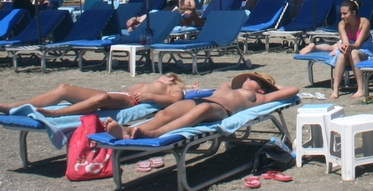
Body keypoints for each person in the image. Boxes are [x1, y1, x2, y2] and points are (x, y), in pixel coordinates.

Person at [104, 73, 298, 139]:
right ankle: (128, 131)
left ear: (262, 89)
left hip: (220, 109)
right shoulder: (228, 88)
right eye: (247, 77)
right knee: (166, 113)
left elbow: (294, 89)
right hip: (202, 101)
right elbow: (227, 83)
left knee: (203, 110)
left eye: (253, 79)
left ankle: (155, 134)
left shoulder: (259, 98)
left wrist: (274, 87)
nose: (247, 79)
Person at [0, 74, 186, 116]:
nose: (160, 76)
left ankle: (55, 113)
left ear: (170, 78)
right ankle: (16, 105)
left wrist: (150, 98)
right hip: (119, 94)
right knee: (64, 88)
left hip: (129, 101)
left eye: (163, 75)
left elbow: (175, 100)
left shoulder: (172, 87)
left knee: (102, 99)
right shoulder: (153, 83)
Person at [328, 0, 373, 99]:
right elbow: (345, 42)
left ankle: (360, 89)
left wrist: (347, 46)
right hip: (350, 51)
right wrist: (343, 46)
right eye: (341, 14)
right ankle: (335, 89)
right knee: (341, 55)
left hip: (365, 51)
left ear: (354, 13)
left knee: (354, 53)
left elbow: (358, 44)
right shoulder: (342, 24)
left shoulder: (364, 22)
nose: (342, 16)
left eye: (345, 14)